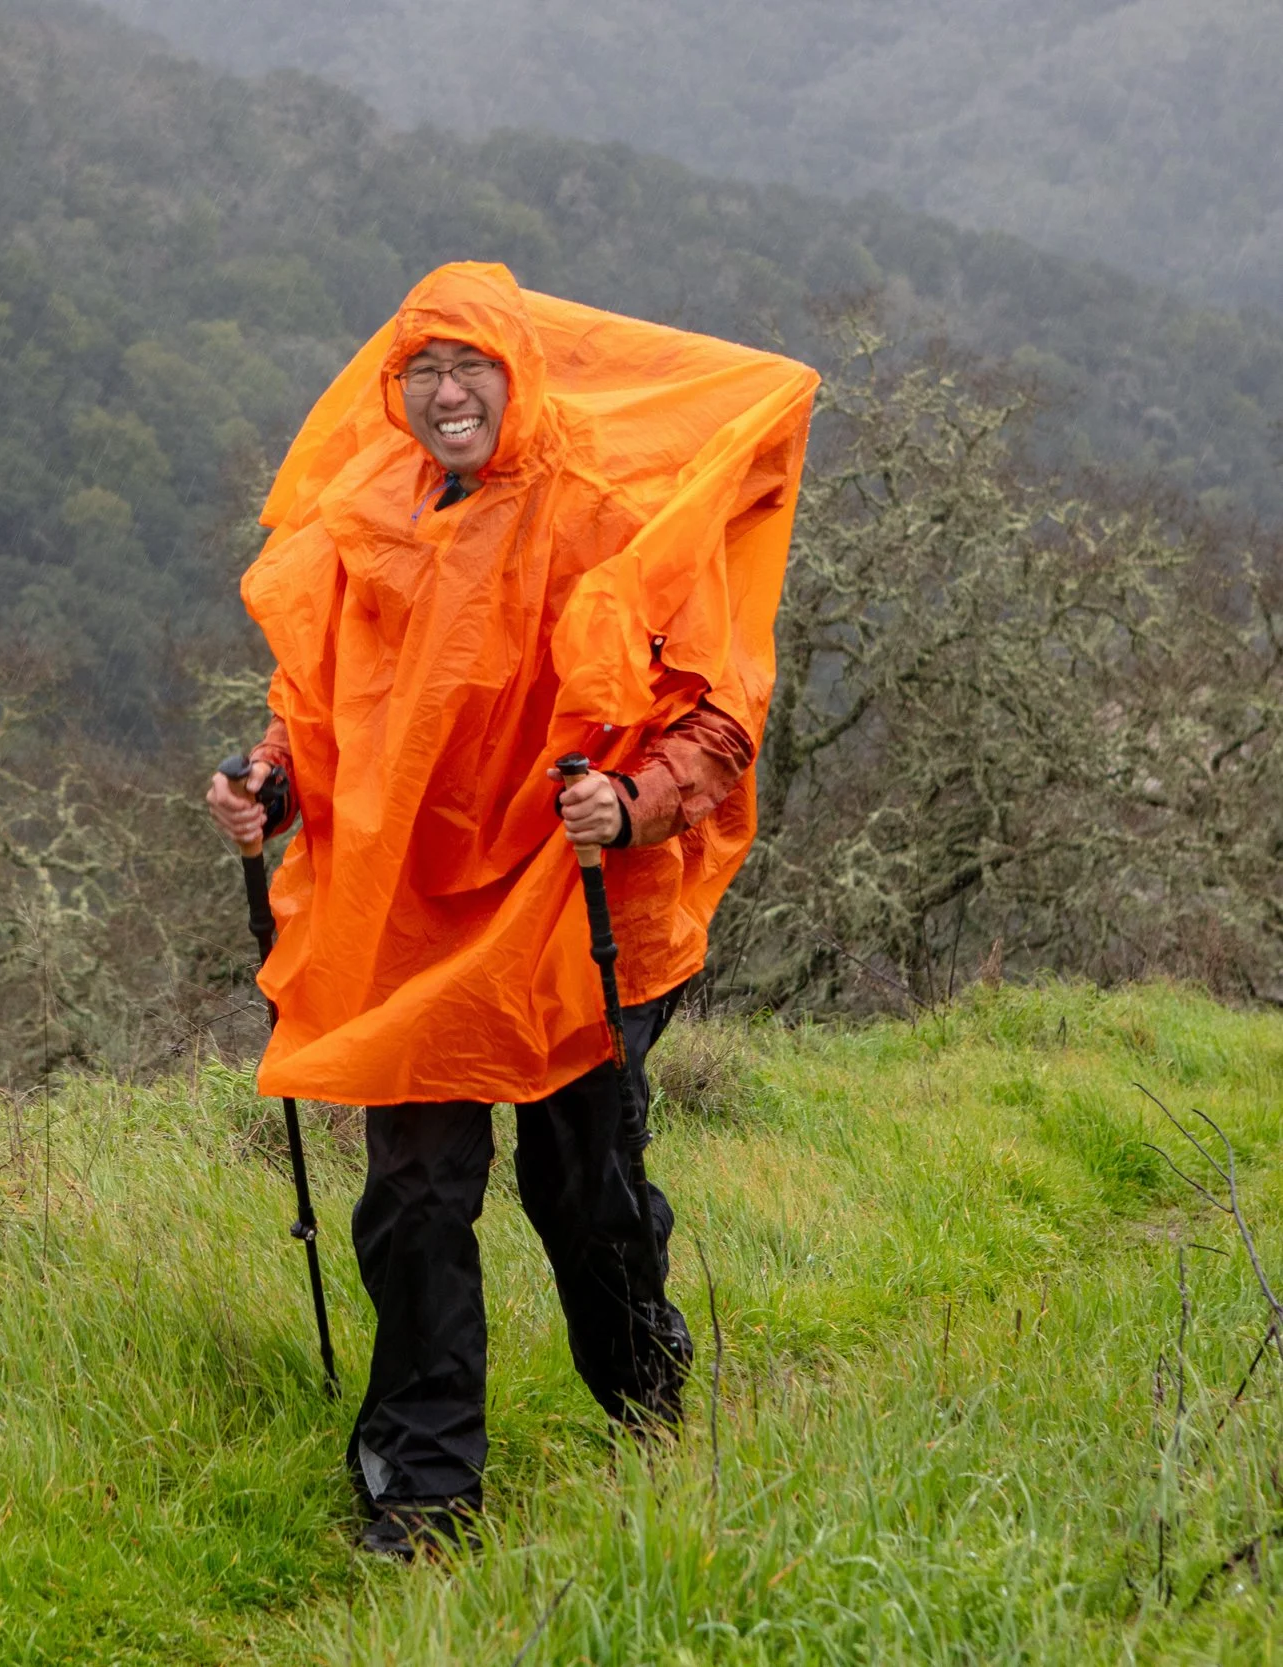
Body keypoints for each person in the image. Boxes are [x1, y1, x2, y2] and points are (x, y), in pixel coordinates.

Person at [205, 262, 816, 1559]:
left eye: (469, 366)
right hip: (421, 915)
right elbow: (338, 703)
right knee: (418, 1195)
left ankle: (647, 1399)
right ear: (394, 389)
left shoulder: (604, 513)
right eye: (421, 370)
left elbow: (717, 719)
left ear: (516, 372)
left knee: (578, 1182)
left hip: (578, 908)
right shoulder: (370, 514)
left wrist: (634, 801)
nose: (444, 392)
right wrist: (274, 785)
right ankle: (424, 1495)